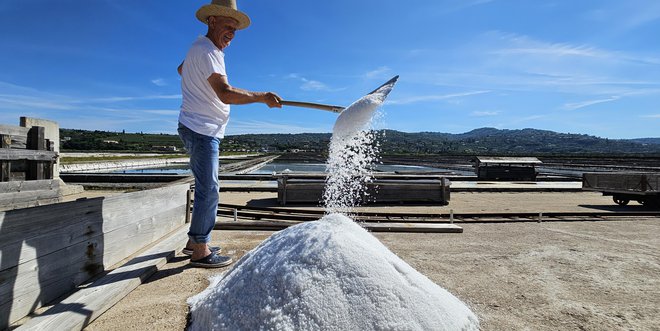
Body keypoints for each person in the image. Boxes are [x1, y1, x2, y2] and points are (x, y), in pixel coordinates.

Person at [177, 0, 282, 268]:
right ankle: (200, 249)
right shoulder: (209, 52)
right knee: (209, 189)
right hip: (202, 129)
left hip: (197, 126)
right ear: (211, 20)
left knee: (205, 186)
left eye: (235, 30)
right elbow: (225, 93)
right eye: (227, 26)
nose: (232, 34)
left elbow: (181, 69)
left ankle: (194, 242)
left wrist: (192, 70)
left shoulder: (199, 48)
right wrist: (262, 97)